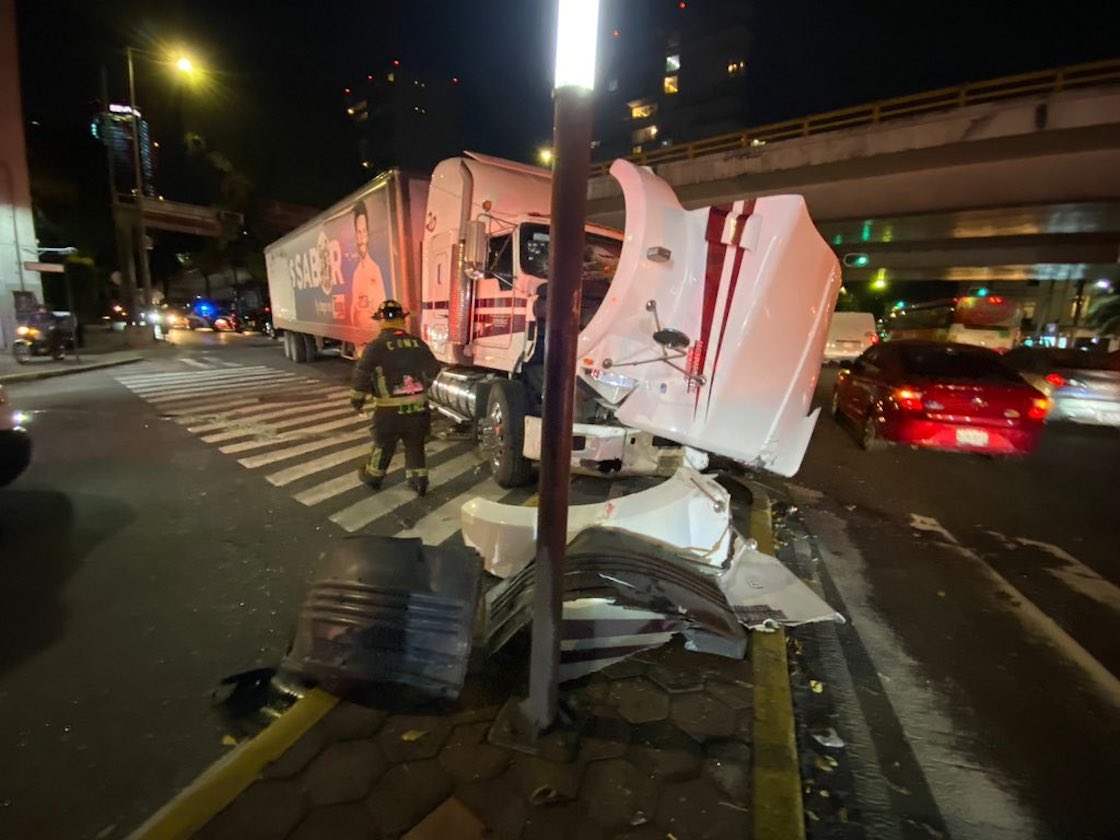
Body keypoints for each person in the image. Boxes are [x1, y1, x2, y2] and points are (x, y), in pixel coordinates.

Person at [349, 299, 440, 496]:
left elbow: (361, 375)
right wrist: (420, 389)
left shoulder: (376, 346)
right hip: (418, 409)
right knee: (415, 445)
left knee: (384, 445)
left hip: (389, 412)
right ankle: (418, 480)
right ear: (402, 320)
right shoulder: (417, 343)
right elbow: (434, 369)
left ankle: (373, 477)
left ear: (380, 321)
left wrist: (357, 400)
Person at [349, 200, 387, 326]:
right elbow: (353, 313)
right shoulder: (356, 274)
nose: (362, 238)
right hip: (361, 338)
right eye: (359, 232)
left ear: (368, 234)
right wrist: (358, 306)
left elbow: (382, 306)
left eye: (364, 231)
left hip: (376, 335)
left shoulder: (375, 269)